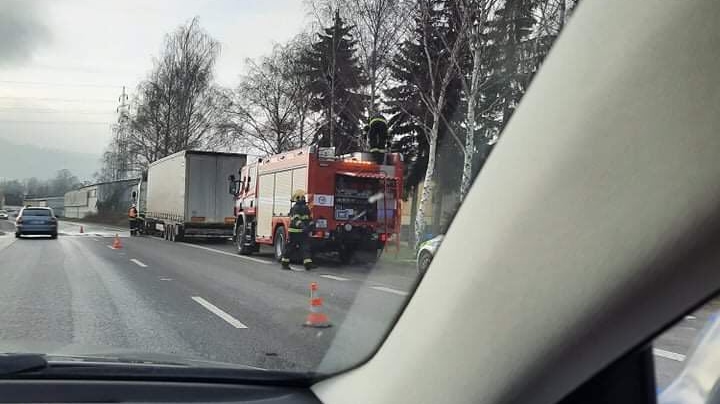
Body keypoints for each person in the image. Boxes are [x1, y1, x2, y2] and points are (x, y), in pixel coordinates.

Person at [281, 190, 315, 270]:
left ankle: (308, 264)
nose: (303, 199)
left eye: (304, 197)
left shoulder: (306, 208)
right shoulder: (295, 208)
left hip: (303, 233)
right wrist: (303, 226)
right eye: (302, 197)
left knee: (305, 248)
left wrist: (311, 226)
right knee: (290, 248)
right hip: (294, 232)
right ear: (298, 198)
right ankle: (285, 264)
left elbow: (309, 219)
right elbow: (295, 220)